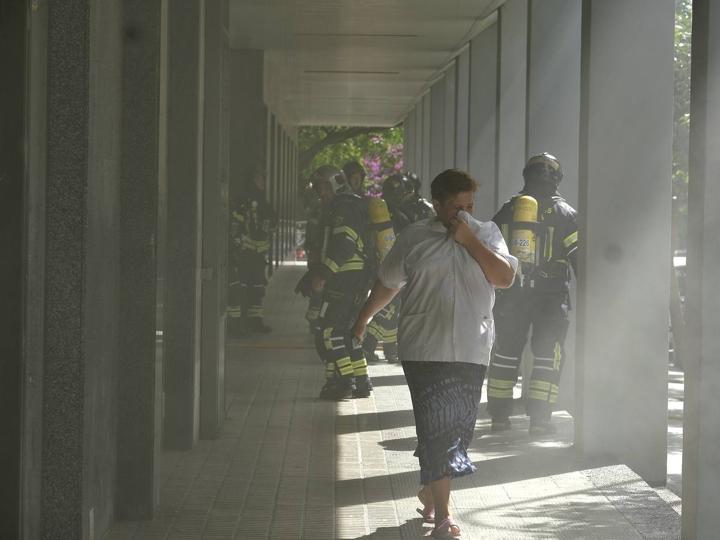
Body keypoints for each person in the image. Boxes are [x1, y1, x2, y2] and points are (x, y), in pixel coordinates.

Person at [352, 169, 517, 539]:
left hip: (472, 348)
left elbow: (504, 278)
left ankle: (430, 487)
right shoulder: (415, 237)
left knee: (458, 431)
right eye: (456, 207)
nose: (463, 213)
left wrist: (471, 241)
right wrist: (364, 318)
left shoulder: (487, 233)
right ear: (437, 203)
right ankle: (443, 515)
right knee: (436, 428)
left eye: (469, 206)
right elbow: (387, 282)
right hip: (424, 348)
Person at [485, 152, 578, 436]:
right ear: (557, 179)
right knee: (548, 356)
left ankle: (499, 418)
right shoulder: (566, 214)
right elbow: (579, 259)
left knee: (505, 353)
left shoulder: (507, 210)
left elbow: (488, 250)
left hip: (512, 295)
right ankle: (539, 420)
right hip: (551, 299)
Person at [297, 169, 375, 400]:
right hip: (355, 279)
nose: (319, 192)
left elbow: (344, 246)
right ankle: (361, 382)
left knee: (329, 332)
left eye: (323, 187)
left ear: (335, 185)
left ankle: (344, 382)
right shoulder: (351, 205)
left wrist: (323, 275)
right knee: (346, 333)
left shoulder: (343, 207)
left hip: (345, 279)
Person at [362, 172, 435, 363]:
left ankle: (389, 348)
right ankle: (368, 344)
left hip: (405, 263)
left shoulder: (415, 209)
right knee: (391, 307)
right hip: (404, 264)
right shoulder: (396, 212)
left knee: (395, 308)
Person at [227, 164, 277, 336]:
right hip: (242, 255)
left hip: (257, 256)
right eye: (259, 178)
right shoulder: (241, 201)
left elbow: (272, 221)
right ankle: (236, 325)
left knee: (256, 289)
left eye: (263, 178)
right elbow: (236, 227)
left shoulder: (263, 202)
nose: (263, 181)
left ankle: (255, 322)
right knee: (239, 288)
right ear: (251, 180)